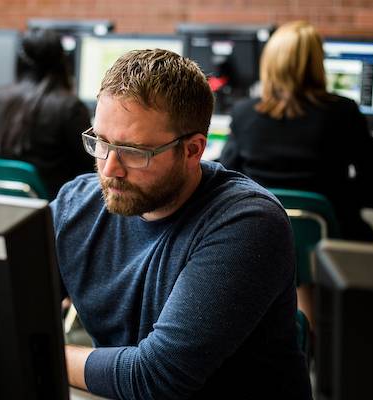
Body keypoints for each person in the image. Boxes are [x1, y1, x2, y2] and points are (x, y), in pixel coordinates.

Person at [51, 49, 312, 399]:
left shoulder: (248, 223)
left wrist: (45, 353)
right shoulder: (75, 205)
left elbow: (156, 377)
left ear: (192, 151)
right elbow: (10, 307)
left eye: (132, 151)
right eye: (100, 142)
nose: (109, 168)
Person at [219, 20, 373, 243]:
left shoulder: (243, 113)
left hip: (260, 237)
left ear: (269, 63)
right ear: (318, 62)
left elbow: (227, 177)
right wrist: (342, 195)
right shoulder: (343, 111)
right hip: (330, 238)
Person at [0, 28, 93, 199]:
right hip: (57, 207)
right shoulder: (69, 106)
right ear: (62, 60)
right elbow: (92, 162)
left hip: (6, 203)